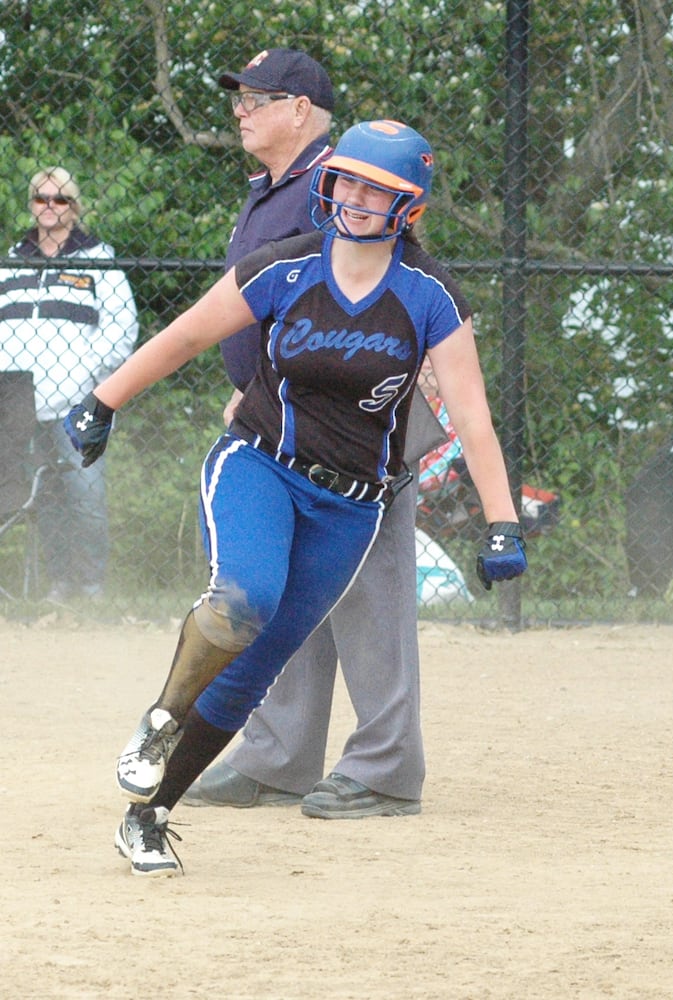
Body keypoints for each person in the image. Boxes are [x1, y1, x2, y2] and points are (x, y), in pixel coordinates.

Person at [65, 119, 528, 876]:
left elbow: (470, 416)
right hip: (259, 465)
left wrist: (502, 524)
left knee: (252, 674)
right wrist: (104, 401)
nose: (353, 197)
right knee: (246, 597)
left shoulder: (430, 295)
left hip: (350, 507)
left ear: (408, 204)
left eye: (375, 188)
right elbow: (184, 336)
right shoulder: (284, 266)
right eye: (346, 179)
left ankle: (147, 816)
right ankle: (161, 720)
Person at [181, 48, 439, 821]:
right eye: (239, 96)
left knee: (370, 596)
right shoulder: (277, 191)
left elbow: (410, 292)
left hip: (358, 436)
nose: (240, 110)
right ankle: (277, 757)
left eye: (256, 98)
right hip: (285, 433)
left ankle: (388, 769)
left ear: (300, 110)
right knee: (289, 594)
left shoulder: (343, 182)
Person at [0, 166, 138, 601]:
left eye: (59, 199)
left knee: (86, 494)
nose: (49, 206)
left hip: (78, 401)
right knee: (47, 500)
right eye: (40, 198)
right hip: (21, 402)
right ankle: (59, 585)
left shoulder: (98, 259)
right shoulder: (13, 258)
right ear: (31, 204)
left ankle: (93, 586)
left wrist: (84, 374)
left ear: (73, 207)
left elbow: (122, 329)